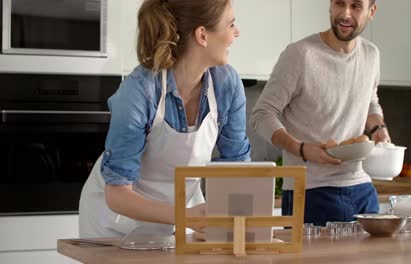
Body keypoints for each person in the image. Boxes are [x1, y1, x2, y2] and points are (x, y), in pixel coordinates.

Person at [79, 0, 250, 238]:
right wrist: (186, 216)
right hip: (116, 224)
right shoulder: (140, 91)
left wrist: (233, 224)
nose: (236, 33)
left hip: (182, 219)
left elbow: (237, 167)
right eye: (231, 24)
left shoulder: (226, 84)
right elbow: (117, 194)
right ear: (202, 35)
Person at [250, 0, 391, 227]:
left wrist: (377, 128)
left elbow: (370, 101)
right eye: (339, 3)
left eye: (356, 6)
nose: (345, 14)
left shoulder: (371, 55)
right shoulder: (300, 54)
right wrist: (302, 149)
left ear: (371, 12)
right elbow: (262, 115)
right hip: (309, 190)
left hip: (361, 188)